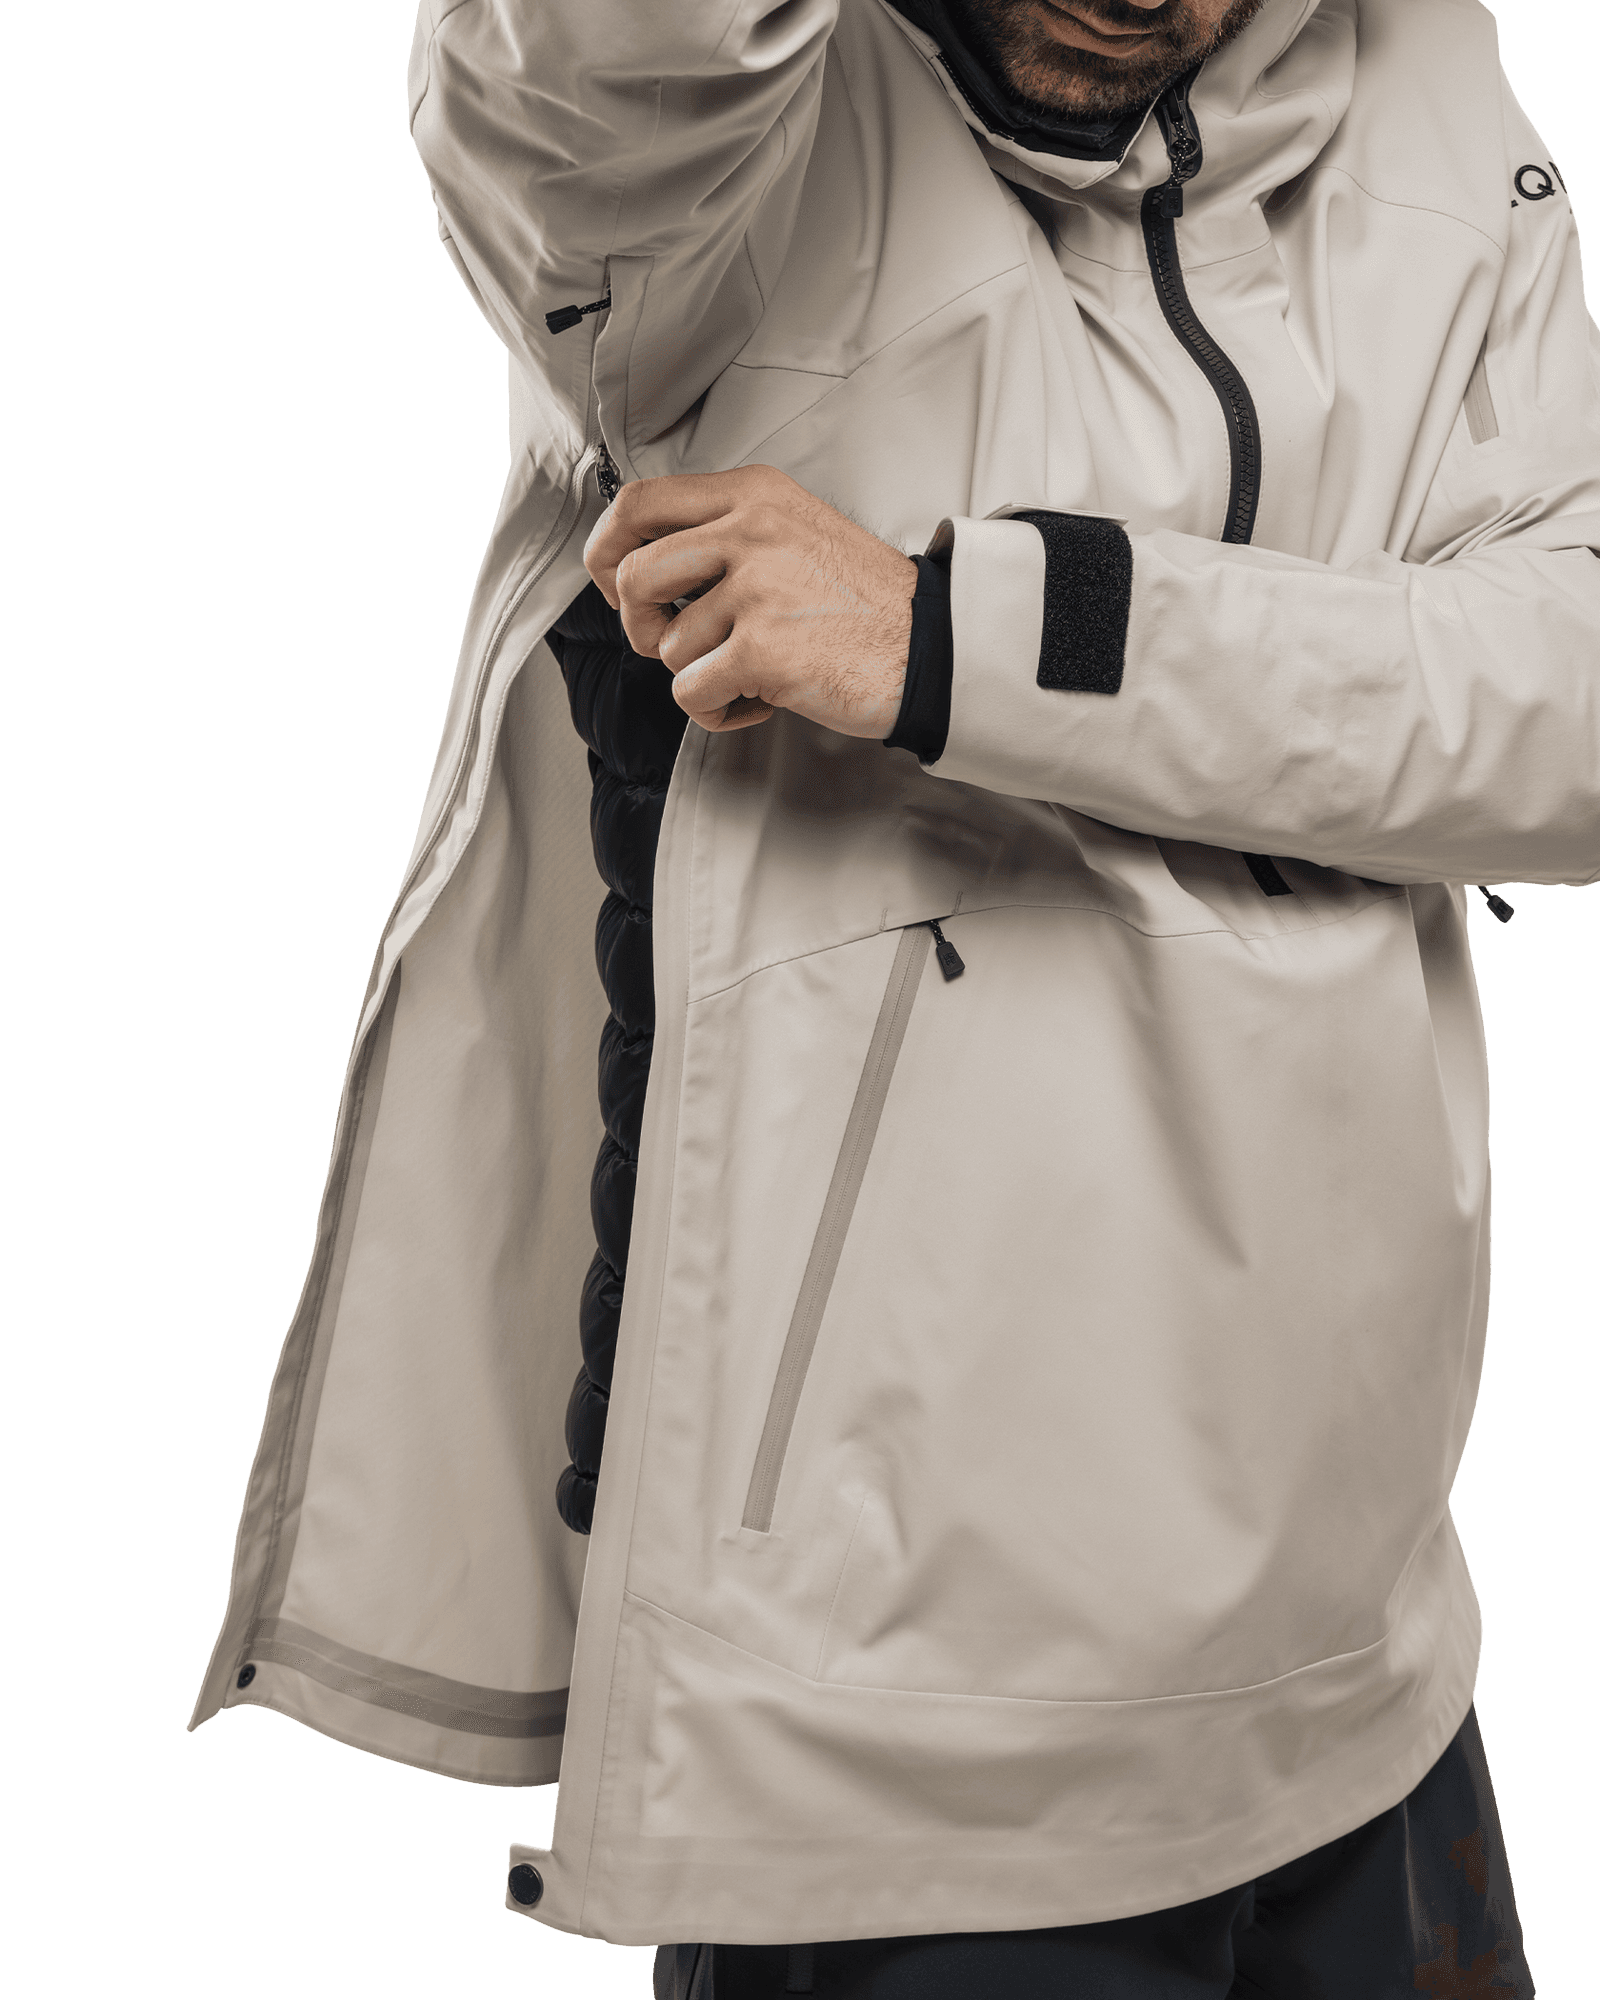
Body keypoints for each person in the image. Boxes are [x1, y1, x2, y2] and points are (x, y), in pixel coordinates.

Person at [192, 0, 1598, 1992]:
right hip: (901, 1761)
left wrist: (965, 634)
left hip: (1368, 1654)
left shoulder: (1424, 70)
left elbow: (1571, 692)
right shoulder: (688, 156)